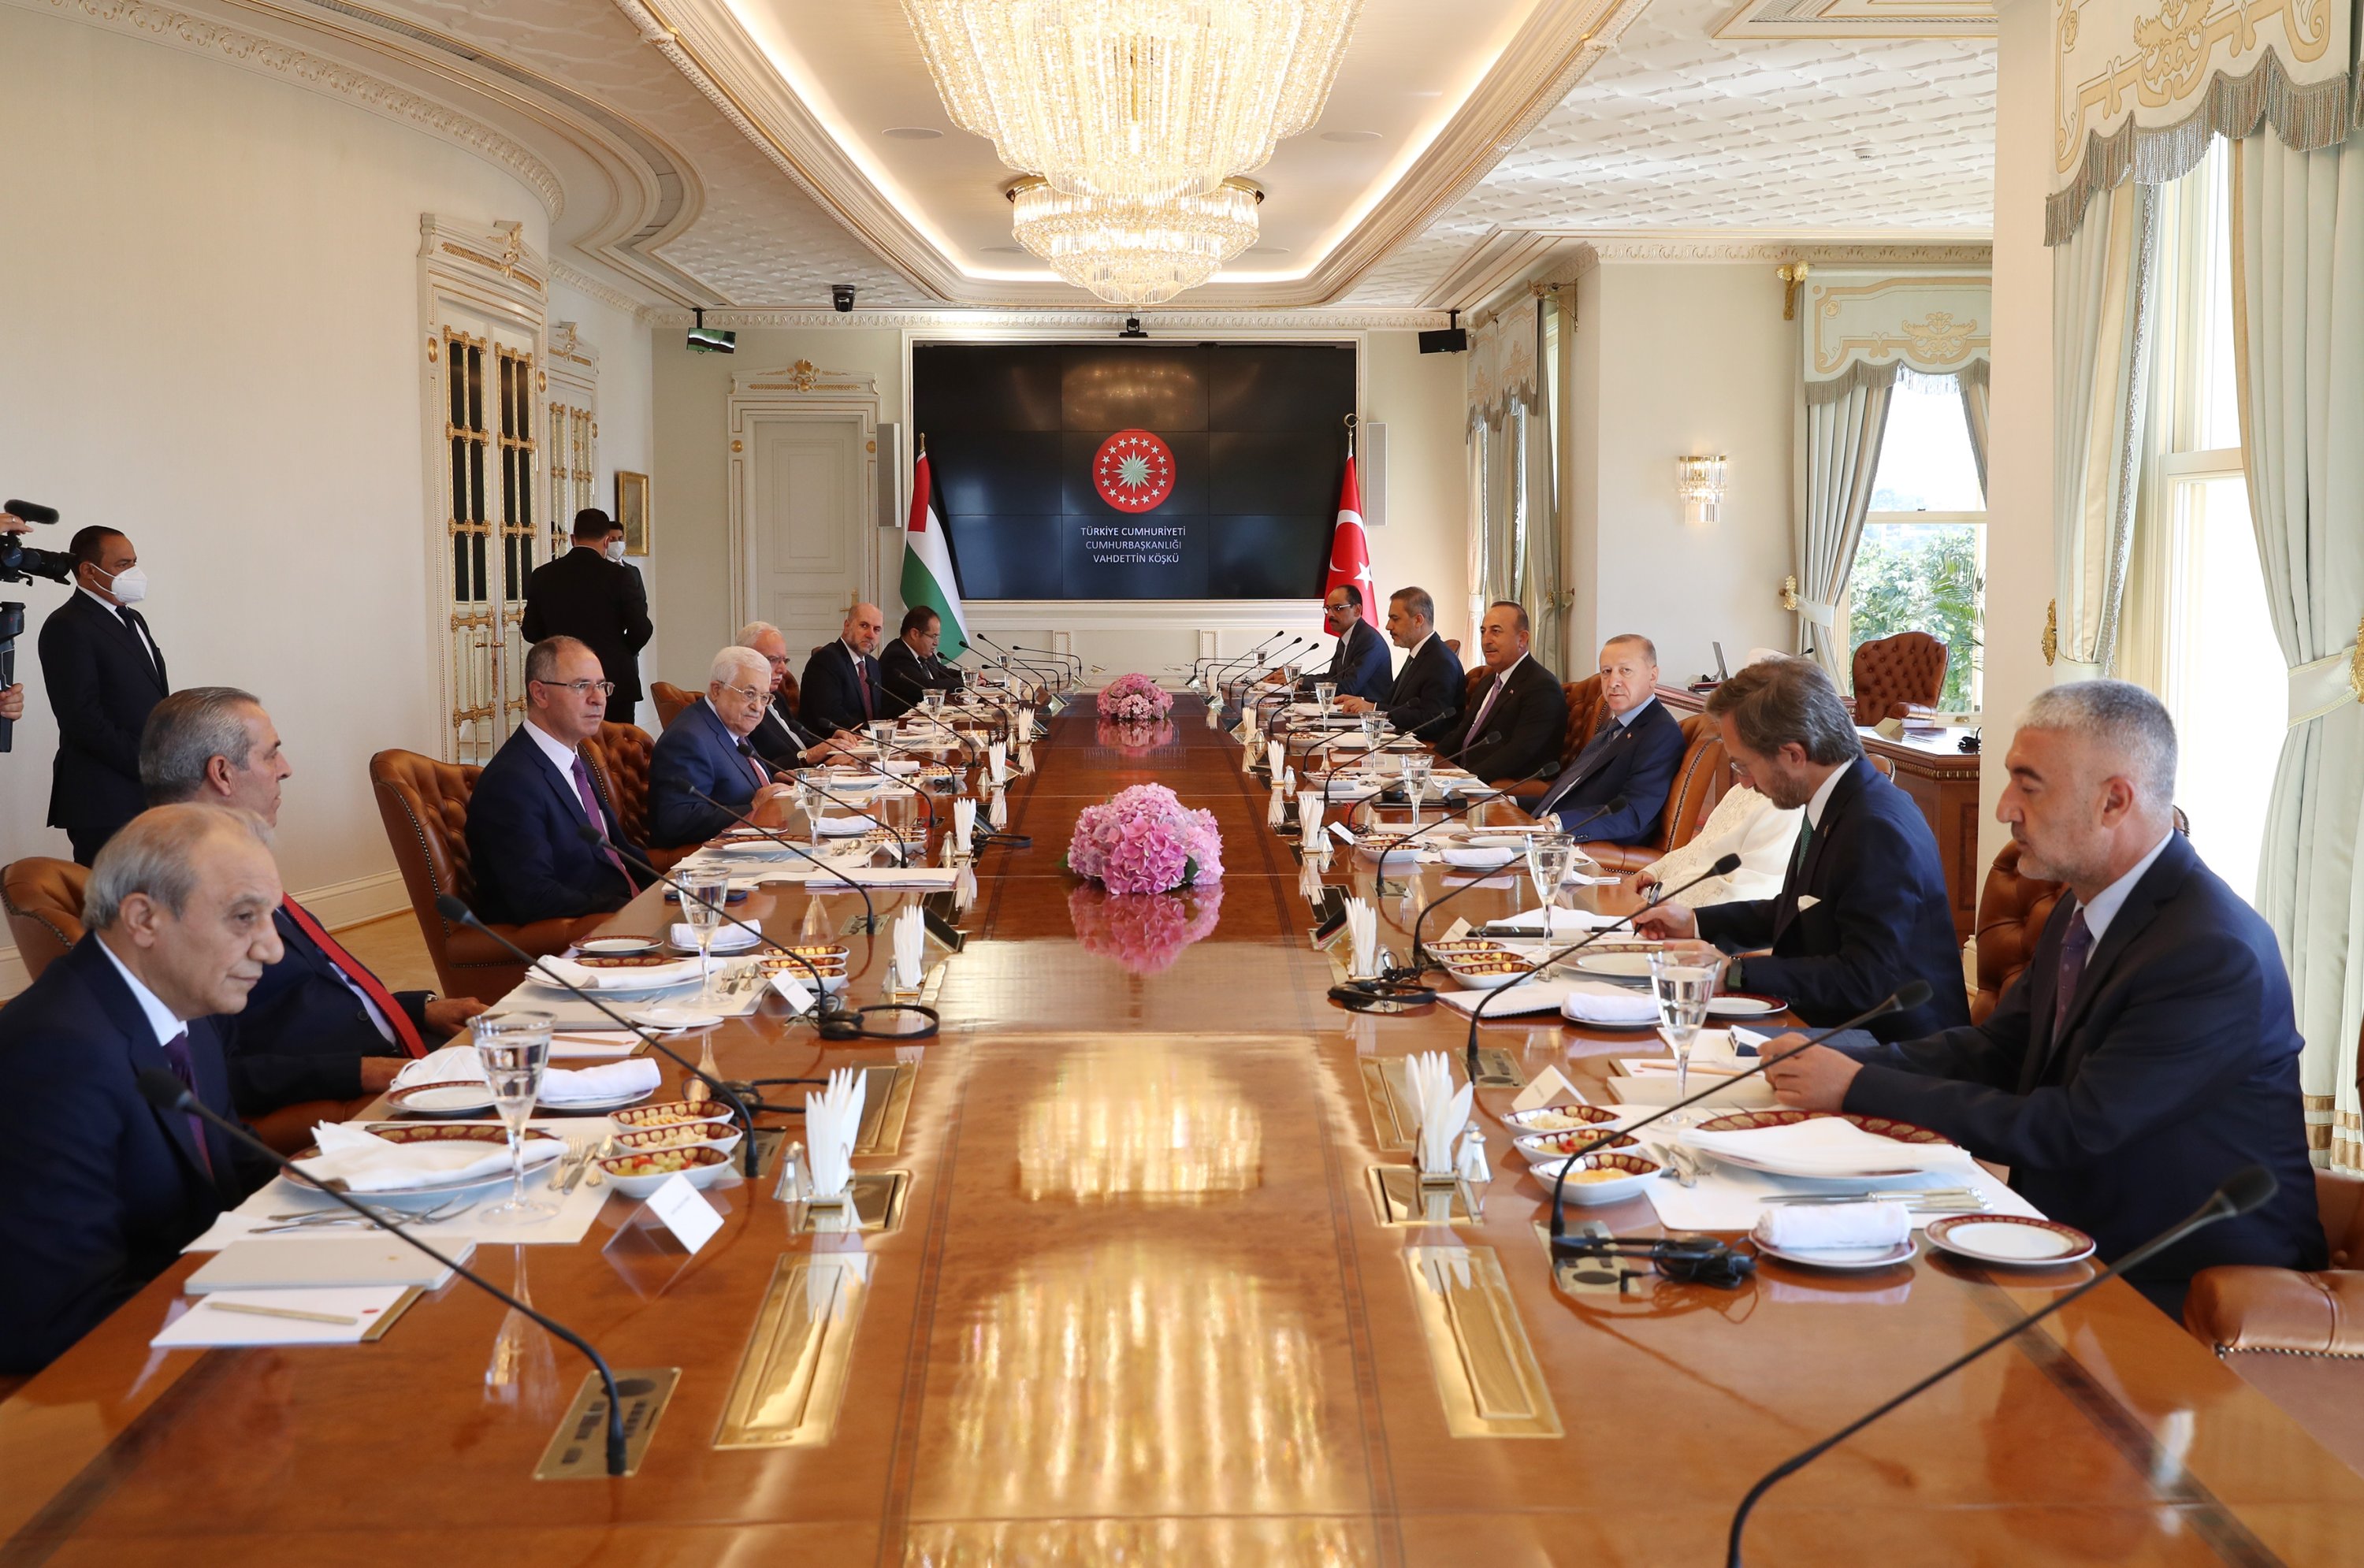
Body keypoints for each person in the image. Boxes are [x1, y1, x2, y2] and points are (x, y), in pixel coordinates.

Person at [1761, 682, 2323, 1316]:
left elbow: (2075, 1127)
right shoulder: (2081, 907)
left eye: (2028, 786)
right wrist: (1836, 1054)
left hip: (2189, 1284)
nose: (2002, 808)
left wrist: (1858, 1086)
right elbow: (1998, 1047)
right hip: (2067, 1232)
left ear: (2114, 801)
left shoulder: (2211, 953)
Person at [0, 805, 281, 1374]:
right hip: (117, 1400)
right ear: (144, 919)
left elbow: (227, 1164)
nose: (271, 949)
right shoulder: (58, 1055)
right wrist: (267, 1314)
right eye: (244, 917)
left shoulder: (181, 1003)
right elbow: (58, 1321)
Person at [139, 688, 487, 1117]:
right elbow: (212, 1074)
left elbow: (316, 993)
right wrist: (360, 1072)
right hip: (346, 1095)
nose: (285, 770)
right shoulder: (181, 901)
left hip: (399, 1052)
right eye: (271, 755)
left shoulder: (231, 862)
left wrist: (421, 1009)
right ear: (223, 774)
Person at [1634, 655, 1964, 1042]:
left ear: (1793, 755)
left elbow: (1869, 977)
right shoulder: (1835, 800)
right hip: (1830, 1027)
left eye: (1744, 767)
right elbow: (1800, 912)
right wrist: (1695, 922)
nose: (1745, 784)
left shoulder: (1875, 829)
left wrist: (1736, 972)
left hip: (1890, 1052)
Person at [465, 637, 645, 927]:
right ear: (540, 694)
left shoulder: (574, 760)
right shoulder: (511, 782)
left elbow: (618, 855)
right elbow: (535, 897)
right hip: (575, 941)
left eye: (601, 686)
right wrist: (629, 909)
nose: (598, 698)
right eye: (581, 686)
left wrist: (676, 889)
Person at [38, 526, 167, 864]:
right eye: (123, 564)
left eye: (134, 563)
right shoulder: (67, 625)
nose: (134, 573)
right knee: (109, 910)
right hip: (103, 797)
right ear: (87, 570)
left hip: (147, 791)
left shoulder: (133, 617)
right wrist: (146, 764)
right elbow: (81, 717)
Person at [1530, 635, 1687, 844]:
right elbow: (1569, 795)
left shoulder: (1660, 733)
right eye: (1606, 672)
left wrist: (1557, 825)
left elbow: (1632, 813)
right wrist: (1509, 801)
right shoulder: (1614, 726)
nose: (1613, 682)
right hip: (1544, 830)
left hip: (1579, 847)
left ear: (1653, 676)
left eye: (1625, 671)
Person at [649, 647, 801, 848]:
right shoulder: (687, 738)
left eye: (764, 697)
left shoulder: (730, 726)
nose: (758, 707)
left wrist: (771, 779)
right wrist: (752, 807)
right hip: (713, 860)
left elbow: (730, 785)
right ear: (717, 690)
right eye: (749, 694)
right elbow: (676, 820)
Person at [521, 508, 652, 724]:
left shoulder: (543, 575)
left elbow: (531, 630)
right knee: (613, 751)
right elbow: (642, 629)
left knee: (566, 747)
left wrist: (562, 648)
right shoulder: (620, 576)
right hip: (612, 681)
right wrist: (620, 649)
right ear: (607, 541)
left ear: (573, 539)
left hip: (561, 678)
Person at [1431, 600, 1565, 783]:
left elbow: (1519, 752)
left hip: (1499, 783)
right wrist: (1427, 763)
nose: (1486, 640)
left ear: (1522, 639)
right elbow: (1462, 732)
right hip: (1461, 775)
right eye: (1483, 631)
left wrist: (1466, 779)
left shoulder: (1541, 686)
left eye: (1496, 631)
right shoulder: (1489, 681)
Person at [1633, 780, 1801, 908]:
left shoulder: (1785, 807)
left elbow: (1745, 894)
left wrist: (1653, 893)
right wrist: (1652, 872)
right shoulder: (1741, 790)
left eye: (1743, 763)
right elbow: (1695, 850)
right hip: (1659, 904)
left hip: (1701, 929)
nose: (1743, 780)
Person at [1335, 586, 1463, 741]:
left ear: (1418, 620)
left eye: (1395, 619)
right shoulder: (1419, 653)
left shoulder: (1441, 661)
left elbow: (1431, 721)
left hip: (1424, 753)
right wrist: (1362, 702)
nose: (1388, 626)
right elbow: (1394, 704)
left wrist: (1374, 709)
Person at [737, 620, 853, 770]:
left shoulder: (776, 697)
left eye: (784, 660)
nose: (783, 670)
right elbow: (760, 768)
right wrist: (808, 757)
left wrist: (832, 744)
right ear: (746, 659)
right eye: (773, 660)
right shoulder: (743, 708)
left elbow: (802, 740)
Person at [1282, 585, 1391, 704]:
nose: (1330, 615)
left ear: (1357, 610)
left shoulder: (1369, 640)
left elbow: (1348, 688)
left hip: (1369, 716)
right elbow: (1332, 678)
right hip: (1347, 710)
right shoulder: (1347, 637)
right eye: (1328, 608)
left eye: (1338, 608)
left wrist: (1302, 682)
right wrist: (1297, 678)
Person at [801, 602, 887, 735]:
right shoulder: (826, 660)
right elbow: (832, 718)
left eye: (876, 629)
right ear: (847, 626)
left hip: (868, 744)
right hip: (834, 746)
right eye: (864, 626)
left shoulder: (873, 665)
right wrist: (879, 732)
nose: (871, 635)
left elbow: (879, 713)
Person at [879, 606, 966, 716]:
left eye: (937, 637)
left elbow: (942, 672)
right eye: (933, 636)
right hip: (902, 725)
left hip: (925, 719)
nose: (936, 643)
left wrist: (969, 675)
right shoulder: (896, 656)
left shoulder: (924, 653)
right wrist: (965, 682)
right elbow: (927, 688)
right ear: (915, 634)